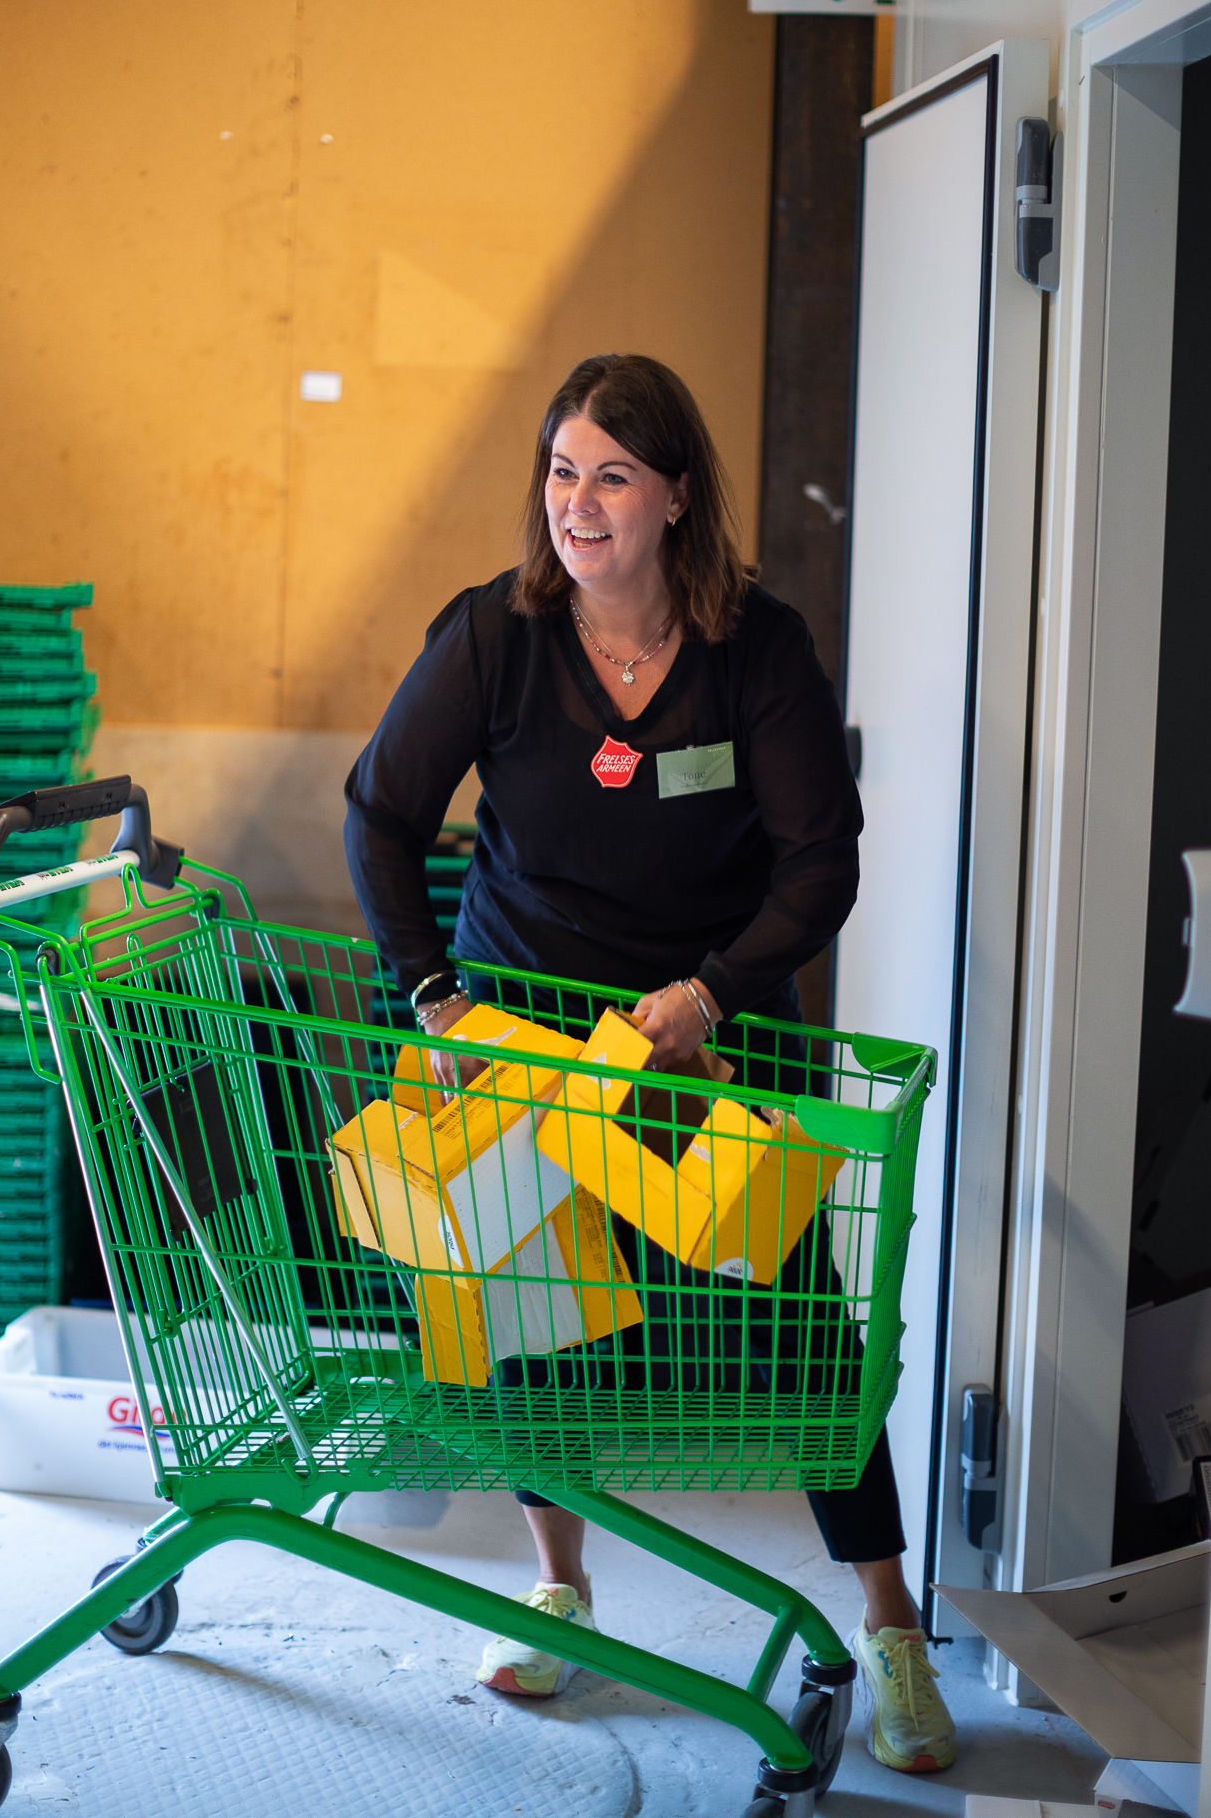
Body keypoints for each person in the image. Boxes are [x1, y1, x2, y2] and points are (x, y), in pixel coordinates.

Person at [344, 353, 956, 1775]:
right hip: (527, 1039)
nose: (579, 502)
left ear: (678, 495)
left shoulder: (757, 650)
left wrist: (714, 991)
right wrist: (430, 992)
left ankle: (892, 1628)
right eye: (562, 471)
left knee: (803, 1334)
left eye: (612, 473)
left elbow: (819, 861)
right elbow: (382, 813)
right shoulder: (497, 637)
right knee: (531, 1314)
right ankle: (558, 1581)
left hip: (708, 1043)